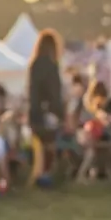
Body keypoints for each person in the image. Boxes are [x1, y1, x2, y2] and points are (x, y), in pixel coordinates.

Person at [28, 29, 64, 186]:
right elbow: (54, 92)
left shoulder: (34, 65)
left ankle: (38, 173)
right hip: (49, 110)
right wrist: (58, 111)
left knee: (40, 146)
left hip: (35, 111)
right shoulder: (51, 66)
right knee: (49, 144)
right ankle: (45, 175)